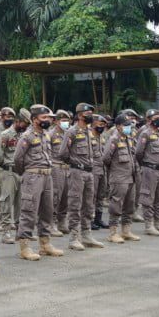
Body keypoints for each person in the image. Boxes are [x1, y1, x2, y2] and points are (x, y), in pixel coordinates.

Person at [13, 104, 64, 261]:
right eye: (44, 118)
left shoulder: (46, 135)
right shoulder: (26, 137)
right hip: (33, 176)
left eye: (48, 117)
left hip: (47, 176)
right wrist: (27, 174)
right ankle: (25, 246)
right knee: (29, 212)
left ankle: (45, 244)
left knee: (47, 210)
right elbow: (17, 159)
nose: (47, 120)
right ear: (34, 119)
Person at [58, 103, 104, 250]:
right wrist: (75, 163)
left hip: (90, 172)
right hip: (77, 172)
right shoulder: (71, 132)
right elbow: (63, 153)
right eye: (87, 113)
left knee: (88, 204)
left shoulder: (89, 132)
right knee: (75, 204)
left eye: (91, 113)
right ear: (79, 115)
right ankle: (74, 237)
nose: (90, 115)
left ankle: (87, 235)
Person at [102, 114, 141, 244]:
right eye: (125, 125)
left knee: (129, 205)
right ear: (118, 126)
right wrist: (115, 170)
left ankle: (126, 231)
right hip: (119, 178)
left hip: (130, 177)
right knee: (116, 205)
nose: (128, 127)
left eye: (129, 125)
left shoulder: (128, 139)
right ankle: (113, 233)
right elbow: (106, 158)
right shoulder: (114, 139)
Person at [135, 109, 159, 237]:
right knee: (148, 197)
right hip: (150, 169)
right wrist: (146, 164)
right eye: (155, 117)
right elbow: (139, 153)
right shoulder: (145, 134)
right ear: (148, 120)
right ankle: (149, 225)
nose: (158, 119)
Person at [0, 108, 29, 244]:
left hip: (22, 172)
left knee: (21, 202)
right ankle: (6, 232)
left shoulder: (24, 135)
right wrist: (6, 166)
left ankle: (20, 232)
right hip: (8, 171)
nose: (26, 126)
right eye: (25, 123)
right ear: (18, 121)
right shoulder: (5, 134)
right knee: (6, 201)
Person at [48, 110, 71, 236]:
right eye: (62, 120)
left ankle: (62, 221)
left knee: (66, 197)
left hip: (68, 167)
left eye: (67, 121)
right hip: (56, 167)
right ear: (56, 121)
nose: (65, 123)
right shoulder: (51, 134)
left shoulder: (69, 134)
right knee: (55, 196)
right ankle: (51, 223)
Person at [91, 115, 110, 230]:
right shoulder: (88, 136)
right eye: (99, 124)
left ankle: (98, 218)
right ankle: (89, 219)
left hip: (102, 170)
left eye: (103, 125)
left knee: (100, 196)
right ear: (93, 124)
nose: (101, 127)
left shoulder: (102, 137)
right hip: (93, 170)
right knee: (91, 197)